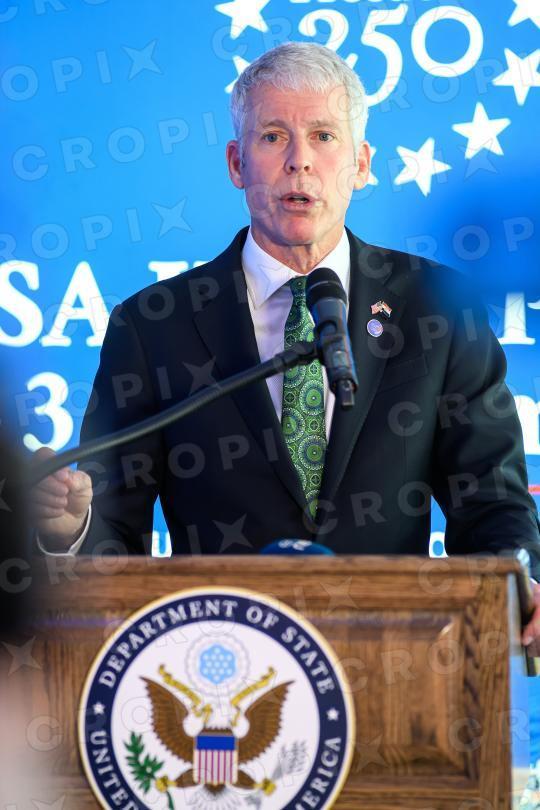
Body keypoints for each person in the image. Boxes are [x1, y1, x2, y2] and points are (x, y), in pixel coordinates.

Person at [29, 42, 540, 651]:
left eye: (324, 136)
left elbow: (491, 498)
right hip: (214, 672)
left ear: (361, 164)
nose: (300, 161)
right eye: (273, 136)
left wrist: (521, 582)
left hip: (400, 668)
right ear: (236, 163)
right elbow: (114, 526)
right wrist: (70, 531)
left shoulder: (438, 306)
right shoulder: (153, 325)